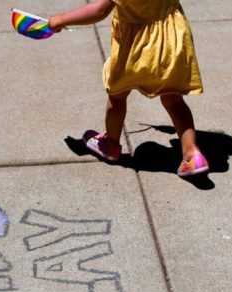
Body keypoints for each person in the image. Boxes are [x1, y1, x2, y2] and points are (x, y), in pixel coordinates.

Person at [49, 0, 208, 177]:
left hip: (136, 46)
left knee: (117, 97)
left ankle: (110, 145)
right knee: (174, 100)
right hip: (172, 41)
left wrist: (61, 19)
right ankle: (192, 154)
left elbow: (100, 10)